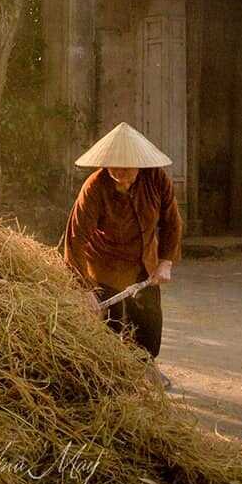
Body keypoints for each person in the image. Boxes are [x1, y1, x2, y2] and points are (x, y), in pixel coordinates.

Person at [59, 122, 182, 360]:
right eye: (113, 168)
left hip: (144, 263)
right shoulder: (94, 187)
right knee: (110, 327)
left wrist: (166, 261)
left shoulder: (157, 180)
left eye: (126, 169)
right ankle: (112, 374)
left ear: (139, 163)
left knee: (149, 325)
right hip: (105, 265)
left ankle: (145, 368)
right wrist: (83, 288)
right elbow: (75, 239)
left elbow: (172, 222)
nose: (119, 175)